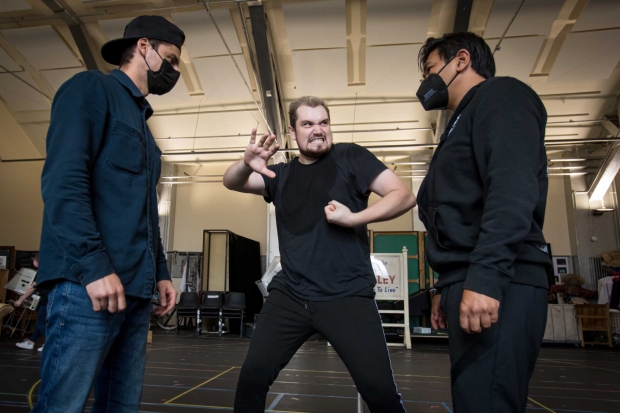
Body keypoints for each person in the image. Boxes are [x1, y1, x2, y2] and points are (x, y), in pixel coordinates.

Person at [223, 96, 417, 413]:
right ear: (293, 131)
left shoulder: (350, 157)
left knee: (380, 392)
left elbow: (404, 195)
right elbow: (231, 182)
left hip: (347, 293)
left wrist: (353, 218)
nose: (318, 130)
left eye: (323, 122)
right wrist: (246, 163)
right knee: (251, 379)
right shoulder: (280, 175)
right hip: (291, 294)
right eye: (308, 124)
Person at [33, 15, 181, 413]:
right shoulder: (90, 89)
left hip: (134, 293)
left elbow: (148, 214)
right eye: (172, 58)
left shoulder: (147, 133)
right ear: (144, 47)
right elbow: (63, 182)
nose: (176, 71)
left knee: (121, 407)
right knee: (61, 407)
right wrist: (94, 266)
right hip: (87, 288)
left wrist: (161, 272)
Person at [415, 32, 552, 412]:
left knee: (487, 403)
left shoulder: (502, 96)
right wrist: (447, 286)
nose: (426, 82)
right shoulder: (459, 123)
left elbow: (510, 189)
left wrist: (485, 278)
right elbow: (460, 210)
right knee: (474, 399)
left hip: (500, 279)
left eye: (430, 69)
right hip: (472, 277)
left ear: (460, 60)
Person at [15, 254, 48, 352]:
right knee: (40, 322)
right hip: (49, 298)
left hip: (47, 299)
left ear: (37, 261)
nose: (33, 262)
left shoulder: (41, 272)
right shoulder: (48, 271)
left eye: (34, 260)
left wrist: (20, 299)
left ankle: (51, 343)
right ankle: (31, 341)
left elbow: (32, 288)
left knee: (41, 322)